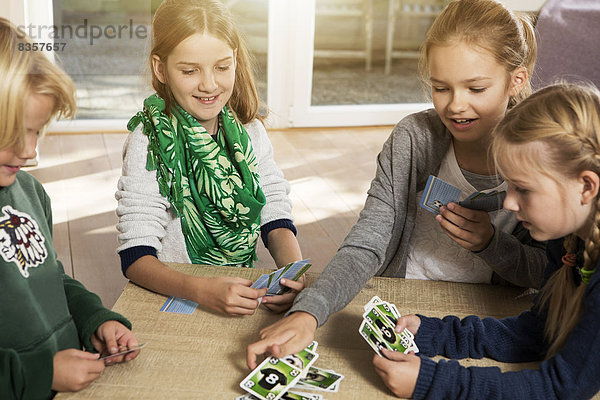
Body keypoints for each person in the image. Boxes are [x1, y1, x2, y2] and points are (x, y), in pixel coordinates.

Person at [247, 0, 545, 368]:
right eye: (440, 87)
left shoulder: (541, 155)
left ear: (516, 79)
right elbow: (368, 241)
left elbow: (546, 272)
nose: (455, 105)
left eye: (476, 89)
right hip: (400, 302)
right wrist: (308, 313)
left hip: (487, 322)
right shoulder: (414, 138)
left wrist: (490, 244)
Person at [373, 82, 600, 399]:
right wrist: (438, 333)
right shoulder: (566, 239)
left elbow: (563, 388)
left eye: (523, 188)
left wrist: (436, 382)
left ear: (586, 187)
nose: (508, 203)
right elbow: (537, 332)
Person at [116, 0, 303, 316]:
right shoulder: (147, 141)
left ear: (235, 60)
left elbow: (273, 206)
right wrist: (201, 290)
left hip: (241, 289)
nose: (209, 84)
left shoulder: (251, 131)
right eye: (189, 70)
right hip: (176, 296)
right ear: (160, 68)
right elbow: (135, 256)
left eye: (222, 67)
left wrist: (293, 273)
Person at [0, 18, 140, 399]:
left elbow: (49, 278)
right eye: (12, 134)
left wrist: (92, 320)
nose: (29, 152)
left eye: (36, 131)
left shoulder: (27, 191)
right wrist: (35, 373)